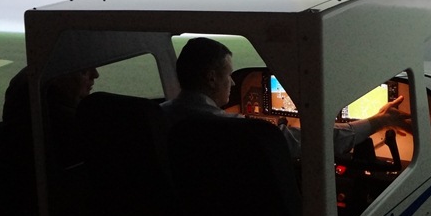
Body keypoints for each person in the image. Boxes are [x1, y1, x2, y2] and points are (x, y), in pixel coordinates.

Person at [161, 37, 411, 158]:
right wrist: (380, 121)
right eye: (228, 75)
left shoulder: (158, 116)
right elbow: (318, 143)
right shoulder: (236, 131)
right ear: (211, 78)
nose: (234, 82)